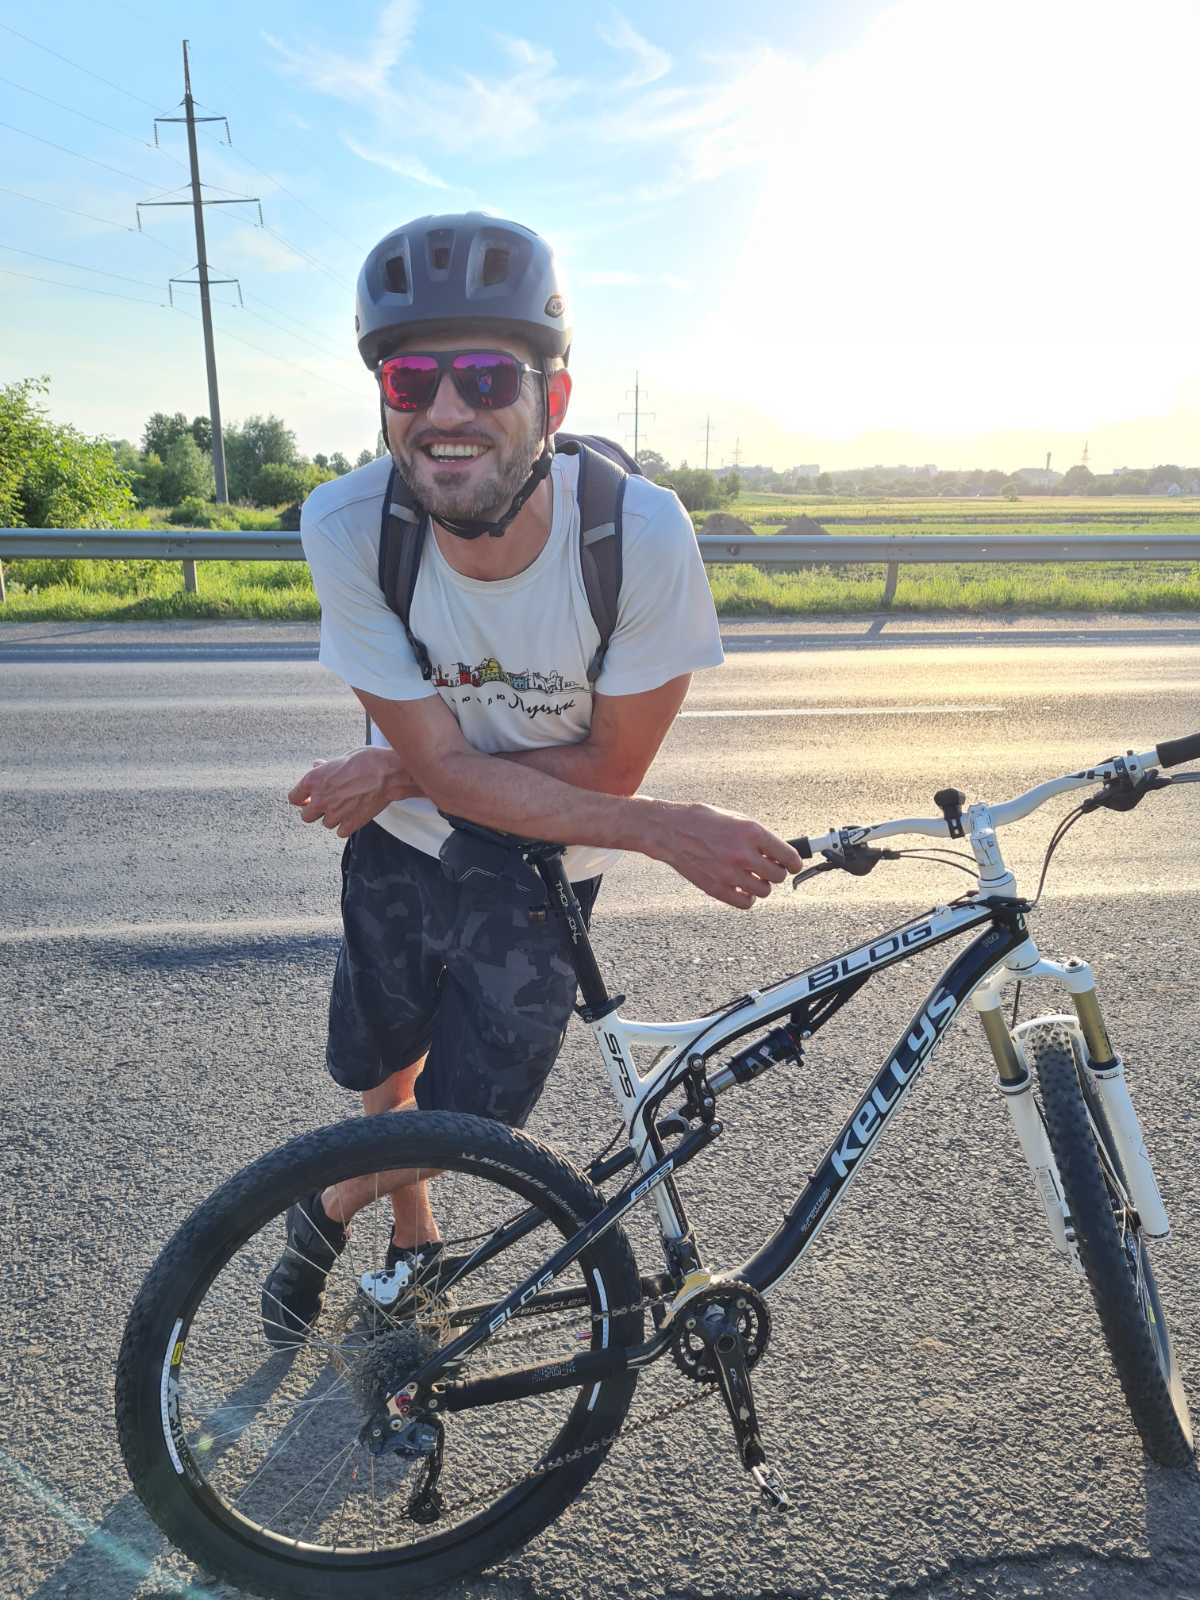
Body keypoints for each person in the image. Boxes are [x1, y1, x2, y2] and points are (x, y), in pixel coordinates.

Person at [261, 213, 802, 1342]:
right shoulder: (349, 526)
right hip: (408, 841)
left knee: (479, 1112)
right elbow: (450, 766)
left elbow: (609, 767)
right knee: (387, 1046)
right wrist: (652, 824)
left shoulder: (636, 536)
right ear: (383, 399)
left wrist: (401, 769)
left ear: (552, 398)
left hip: (549, 850)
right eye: (411, 379)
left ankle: (328, 1203)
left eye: (486, 377)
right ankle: (413, 1240)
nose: (446, 411)